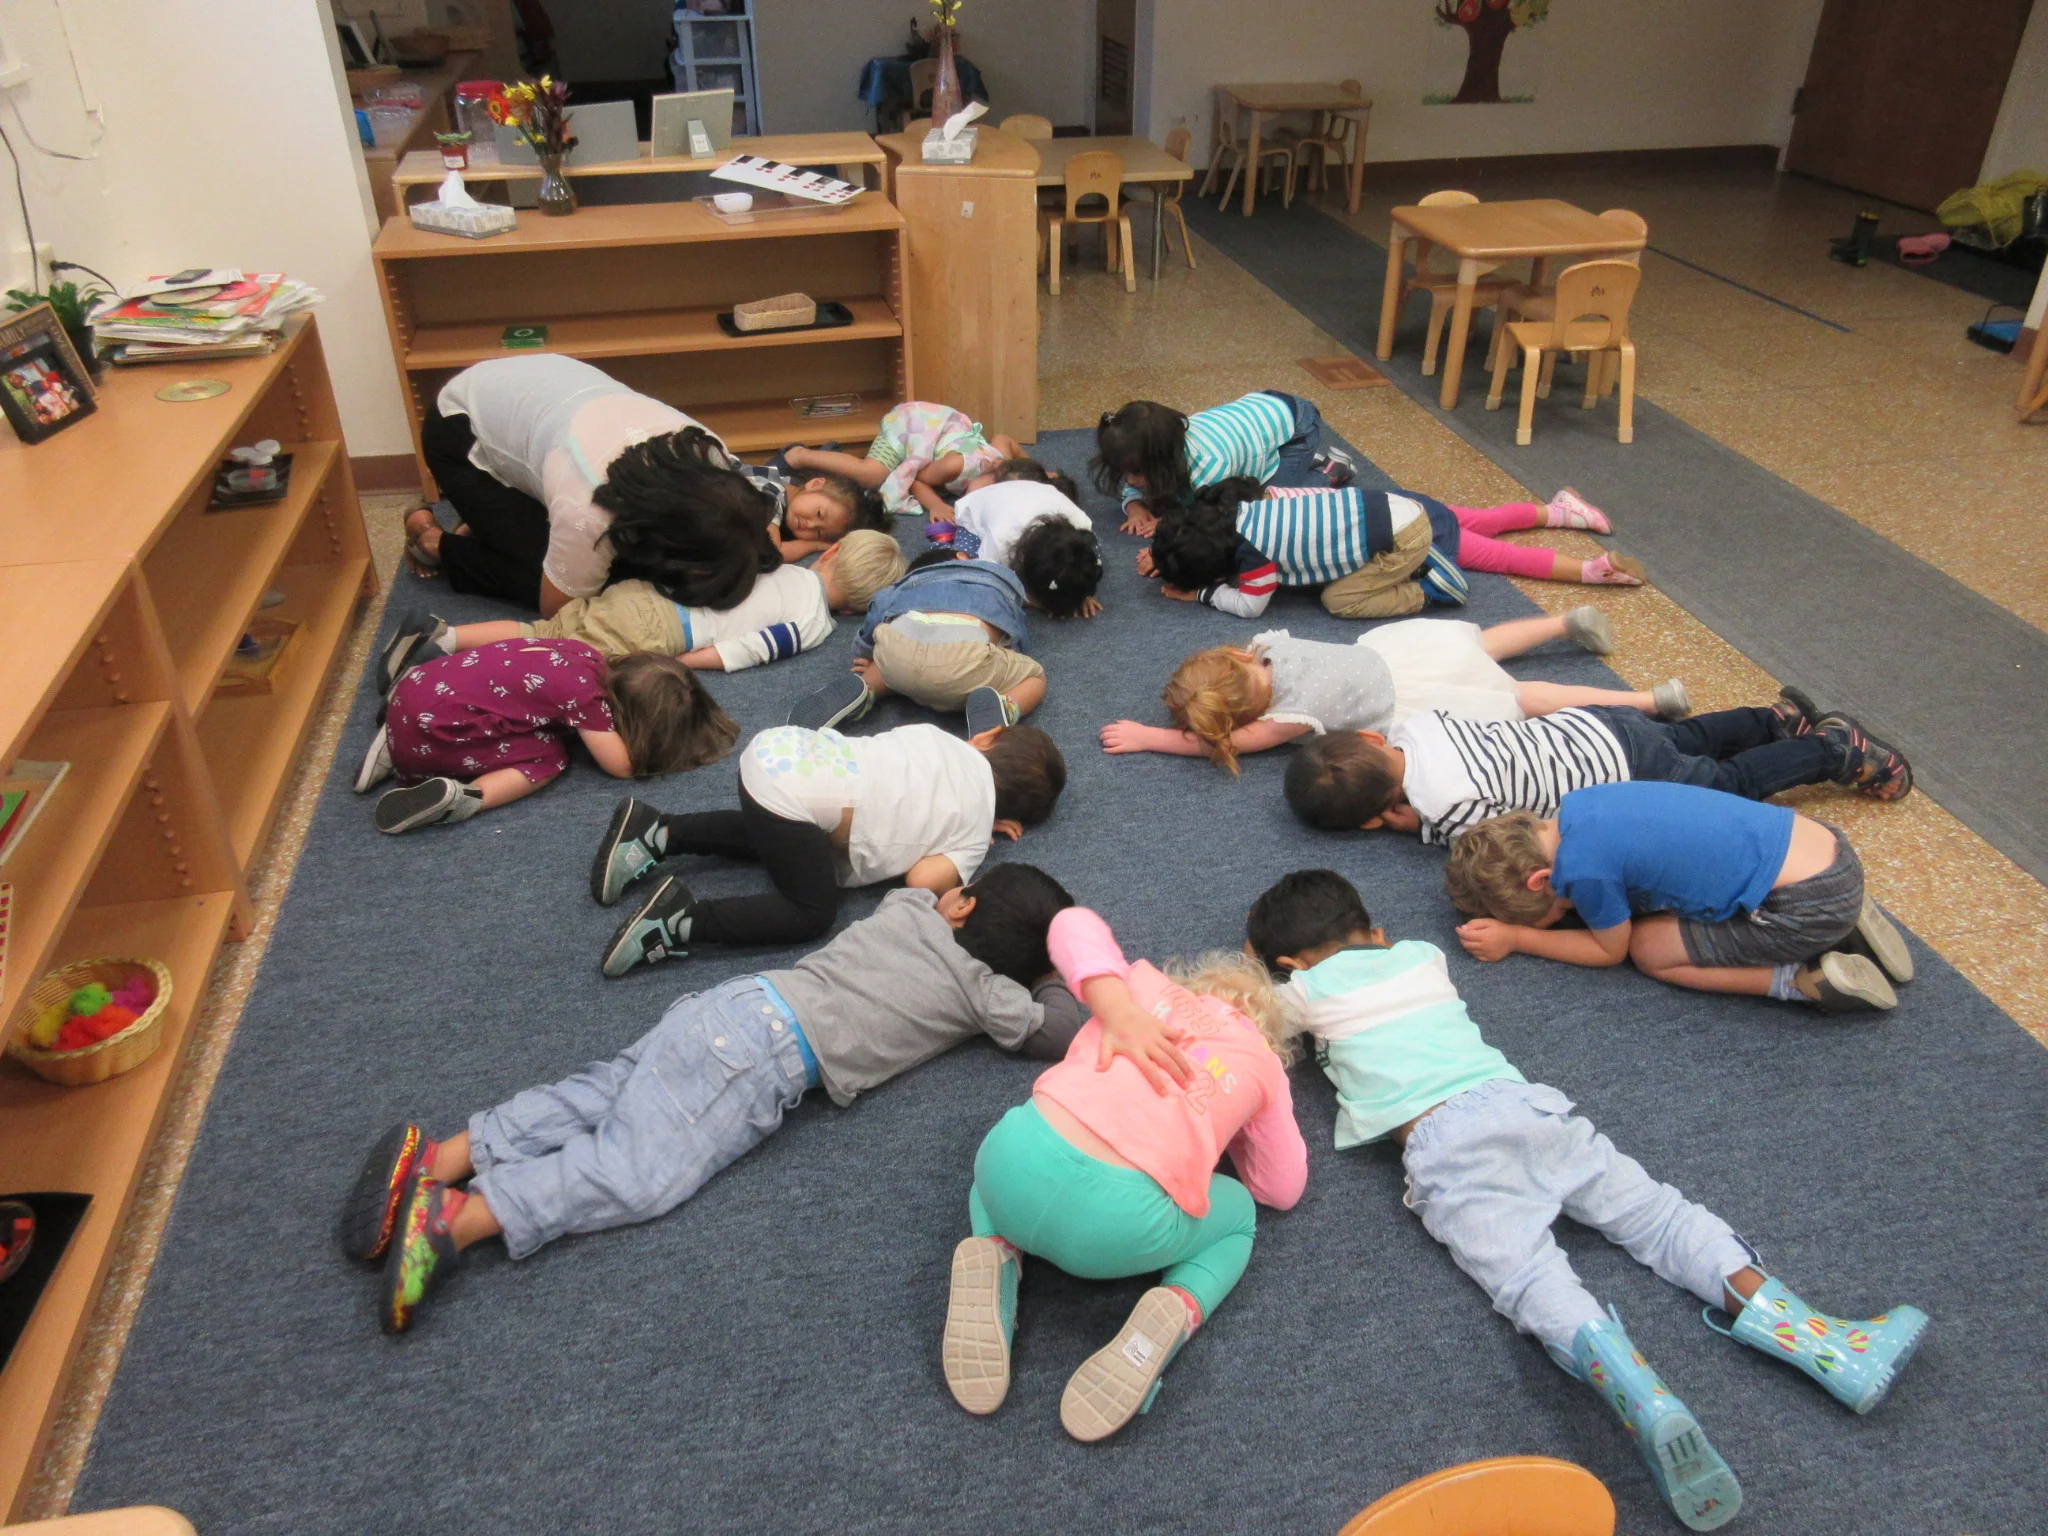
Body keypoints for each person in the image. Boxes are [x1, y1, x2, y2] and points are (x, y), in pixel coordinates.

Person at [1245, 868, 1928, 1533]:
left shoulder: (1299, 993)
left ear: (1289, 964)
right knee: (1660, 1218)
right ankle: (1819, 1338)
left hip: (1442, 1148)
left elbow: (1248, 1017)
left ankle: (1636, 1388)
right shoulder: (1421, 956)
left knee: (1526, 1275)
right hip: (1521, 1105)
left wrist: (1264, 978)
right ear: (1376, 932)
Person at [346, 865, 1090, 1334]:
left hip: (732, 1003)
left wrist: (952, 886)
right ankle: (459, 1218)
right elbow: (1060, 1029)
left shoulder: (912, 908)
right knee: (638, 1171)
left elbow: (930, 871)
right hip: (762, 1058)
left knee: (606, 1090)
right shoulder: (987, 994)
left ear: (960, 905)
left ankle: (443, 1157)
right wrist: (1053, 969)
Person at [941, 905, 1306, 1443]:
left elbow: (1069, 922)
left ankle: (995, 1246)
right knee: (1238, 1217)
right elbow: (1281, 1188)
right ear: (1270, 1038)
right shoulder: (1264, 1067)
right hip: (1114, 1234)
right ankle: (1178, 1304)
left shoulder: (1140, 985)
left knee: (1015, 1142)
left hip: (1010, 1166)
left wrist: (1115, 1007)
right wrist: (1236, 1122)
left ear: (1191, 984)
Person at [591, 720, 1068, 975]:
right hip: (795, 804)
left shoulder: (936, 737)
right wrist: (975, 839)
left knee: (782, 839)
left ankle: (660, 831)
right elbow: (921, 880)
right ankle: (679, 921)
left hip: (781, 750)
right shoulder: (973, 836)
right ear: (1009, 820)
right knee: (812, 912)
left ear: (986, 737)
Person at [1443, 781, 1915, 1012]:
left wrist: (1519, 939)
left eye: (1546, 912)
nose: (1569, 911)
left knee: (1649, 949)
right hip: (1829, 850)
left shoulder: (1583, 870)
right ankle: (1851, 918)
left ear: (1539, 880)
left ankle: (1800, 980)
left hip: (1807, 907)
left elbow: (1609, 951)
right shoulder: (1584, 802)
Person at [1284, 685, 1915, 842]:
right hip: (1595, 723)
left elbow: (1509, 834)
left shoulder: (1444, 810)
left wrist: (1415, 825)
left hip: (1624, 777)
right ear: (1371, 739)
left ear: (1371, 819)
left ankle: (1832, 751)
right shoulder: (1417, 727)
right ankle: (1773, 720)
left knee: (1726, 785)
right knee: (1692, 735)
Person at [407, 355, 783, 617]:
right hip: (457, 426)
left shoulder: (710, 454)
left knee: (614, 562)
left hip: (538, 384)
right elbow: (558, 611)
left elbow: (756, 518)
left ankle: (488, 520)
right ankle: (435, 544)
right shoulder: (590, 510)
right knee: (571, 582)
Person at [1101, 617, 1688, 774]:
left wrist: (1153, 738)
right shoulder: (1268, 644)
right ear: (1236, 657)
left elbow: (1225, 746)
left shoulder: (1288, 718)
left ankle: (1647, 701)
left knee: (1521, 696)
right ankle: (1562, 622)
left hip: (1409, 699)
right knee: (1482, 644)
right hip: (1404, 654)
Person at [375, 530, 908, 680]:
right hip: (664, 631)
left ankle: (448, 636)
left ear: (830, 553)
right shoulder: (814, 624)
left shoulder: (783, 567)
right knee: (552, 653)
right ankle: (447, 664)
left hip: (646, 592)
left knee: (548, 628)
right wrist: (679, 663)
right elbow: (746, 650)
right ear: (855, 611)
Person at [354, 640, 733, 834]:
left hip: (415, 692)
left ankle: (391, 743)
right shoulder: (587, 701)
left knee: (507, 711)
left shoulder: (584, 654)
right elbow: (622, 766)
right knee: (548, 758)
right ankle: (466, 798)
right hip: (431, 733)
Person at [1143, 479, 1640, 620]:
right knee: (1483, 518)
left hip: (1405, 540)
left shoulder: (1254, 558)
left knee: (1338, 600)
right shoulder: (1248, 509)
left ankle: (1590, 571)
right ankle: (1560, 510)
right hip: (1395, 505)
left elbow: (1252, 605)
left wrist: (1201, 593)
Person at [787, 553, 1045, 740]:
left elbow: (877, 611)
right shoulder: (997, 577)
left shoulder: (906, 585)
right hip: (962, 659)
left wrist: (867, 651)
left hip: (898, 649)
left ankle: (866, 687)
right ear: (962, 557)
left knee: (890, 662)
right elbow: (1015, 627)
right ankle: (1005, 706)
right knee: (1034, 676)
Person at [1092, 393, 1353, 536]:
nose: (1130, 480)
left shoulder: (1211, 467)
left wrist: (1171, 522)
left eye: (1137, 473)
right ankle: (1286, 463)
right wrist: (1135, 505)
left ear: (1165, 461)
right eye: (1124, 472)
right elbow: (1136, 482)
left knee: (1267, 505)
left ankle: (1328, 472)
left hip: (1297, 427)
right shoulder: (1160, 442)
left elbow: (1217, 515)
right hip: (1260, 415)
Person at [927, 459, 1105, 619]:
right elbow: (990, 584)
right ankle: (942, 542)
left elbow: (1082, 560)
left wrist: (1082, 592)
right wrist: (1036, 602)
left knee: (1088, 550)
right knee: (964, 567)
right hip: (977, 509)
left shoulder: (1080, 523)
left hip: (1035, 493)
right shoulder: (1000, 541)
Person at [784, 401, 1022, 518]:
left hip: (941, 425)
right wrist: (936, 505)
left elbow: (1005, 439)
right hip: (912, 426)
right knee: (871, 476)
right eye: (984, 495)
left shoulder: (1002, 456)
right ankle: (800, 456)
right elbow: (917, 479)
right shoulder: (955, 466)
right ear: (992, 468)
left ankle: (828, 455)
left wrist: (1036, 470)